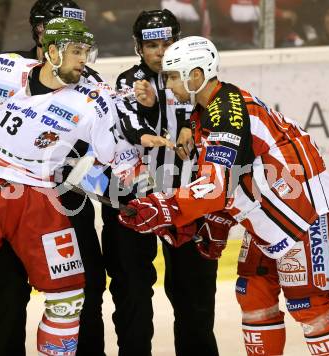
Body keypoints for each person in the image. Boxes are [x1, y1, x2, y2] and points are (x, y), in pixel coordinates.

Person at [119, 35, 329, 355]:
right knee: (254, 295)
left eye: (173, 76)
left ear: (196, 76)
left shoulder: (227, 112)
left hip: (302, 212)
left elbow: (216, 186)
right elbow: (226, 181)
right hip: (267, 214)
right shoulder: (203, 112)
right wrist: (206, 224)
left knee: (309, 304)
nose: (168, 84)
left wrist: (165, 207)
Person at [0, 18, 142, 356]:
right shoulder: (2, 68)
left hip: (40, 192)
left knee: (69, 299)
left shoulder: (92, 100)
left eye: (86, 52)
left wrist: (129, 190)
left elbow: (108, 158)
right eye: (76, 52)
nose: (83, 60)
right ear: (52, 52)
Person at [102, 10, 220, 356]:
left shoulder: (198, 77)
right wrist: (155, 113)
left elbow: (217, 117)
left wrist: (188, 122)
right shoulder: (130, 81)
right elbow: (131, 131)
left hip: (186, 195)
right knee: (133, 291)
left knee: (193, 291)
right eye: (152, 44)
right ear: (138, 47)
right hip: (135, 194)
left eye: (167, 42)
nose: (160, 51)